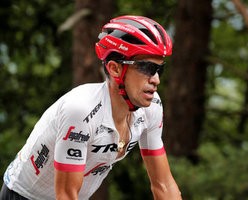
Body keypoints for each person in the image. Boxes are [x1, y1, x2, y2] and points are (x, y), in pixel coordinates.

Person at [0, 15, 182, 200]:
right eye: (147, 68)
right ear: (115, 68)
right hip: (24, 195)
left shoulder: (152, 107)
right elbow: (66, 195)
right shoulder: (80, 110)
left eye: (160, 69)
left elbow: (164, 185)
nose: (156, 79)